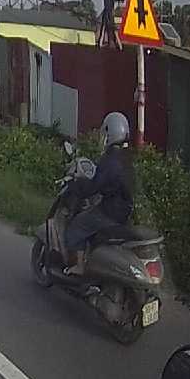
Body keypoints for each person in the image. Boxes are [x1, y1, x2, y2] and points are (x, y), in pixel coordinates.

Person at [64, 111, 135, 275]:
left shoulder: (110, 160)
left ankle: (80, 266)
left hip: (111, 211)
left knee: (78, 225)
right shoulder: (127, 157)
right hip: (124, 209)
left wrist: (77, 186)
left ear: (110, 133)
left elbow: (93, 187)